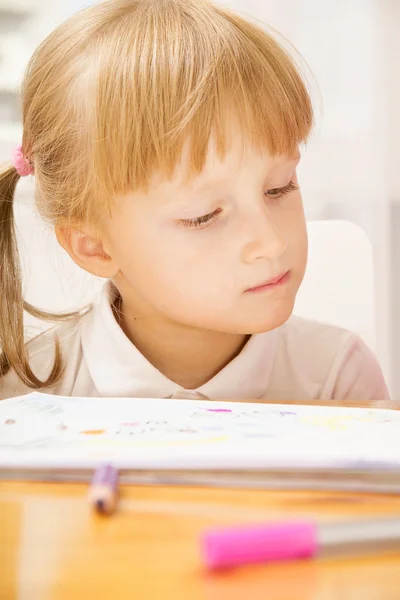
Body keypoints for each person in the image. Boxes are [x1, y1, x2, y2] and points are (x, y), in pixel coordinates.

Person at [0, 0, 389, 401]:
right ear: (95, 247)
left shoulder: (338, 380)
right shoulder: (25, 397)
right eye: (203, 217)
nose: (272, 242)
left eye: (279, 186)